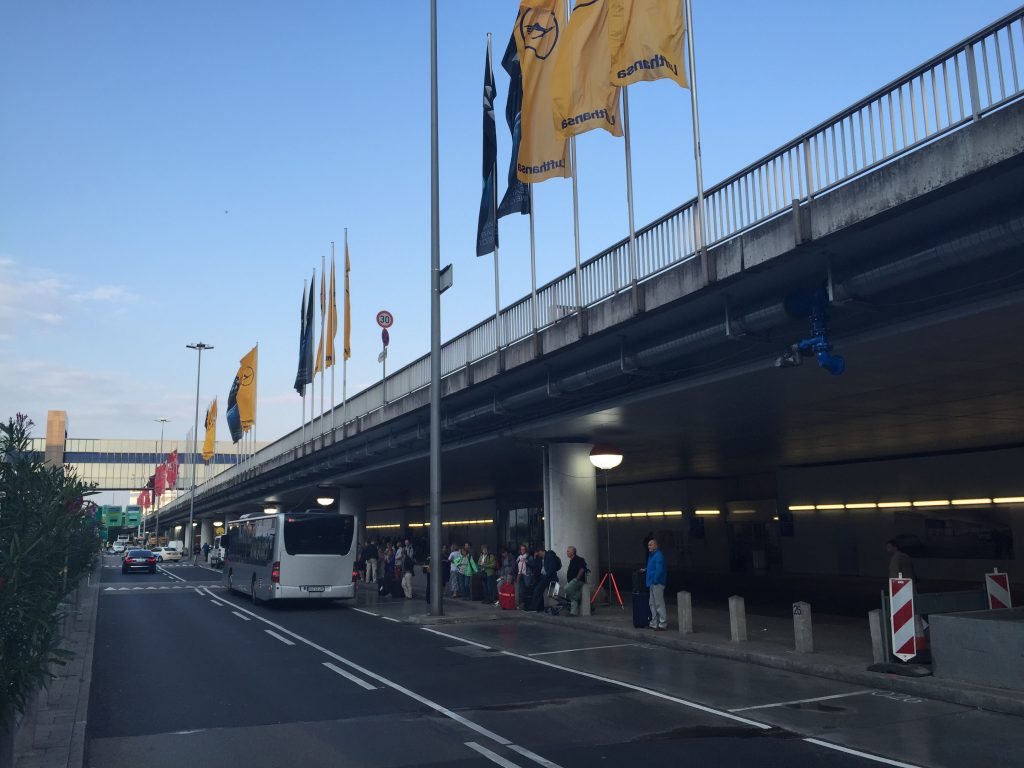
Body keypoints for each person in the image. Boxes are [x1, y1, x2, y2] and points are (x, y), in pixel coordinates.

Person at [645, 538, 668, 630]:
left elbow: (659, 570)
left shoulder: (658, 556)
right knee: (652, 603)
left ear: (656, 546)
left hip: (657, 583)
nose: (649, 547)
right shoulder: (653, 555)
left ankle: (662, 623)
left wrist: (654, 580)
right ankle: (654, 623)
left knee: (658, 603)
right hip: (653, 583)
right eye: (648, 545)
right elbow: (654, 568)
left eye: (651, 545)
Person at [562, 546, 588, 616]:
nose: (566, 553)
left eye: (568, 551)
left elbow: (582, 569)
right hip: (572, 581)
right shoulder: (572, 560)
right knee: (572, 596)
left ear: (573, 552)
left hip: (577, 581)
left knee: (566, 589)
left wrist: (577, 579)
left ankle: (578, 598)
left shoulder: (579, 559)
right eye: (567, 551)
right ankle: (573, 613)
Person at [515, 544, 530, 609]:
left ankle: (526, 604)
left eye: (524, 549)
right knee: (520, 590)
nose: (522, 550)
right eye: (521, 549)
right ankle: (521, 604)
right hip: (520, 574)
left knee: (526, 589)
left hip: (526, 574)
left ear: (526, 550)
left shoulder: (528, 557)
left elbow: (532, 565)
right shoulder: (519, 557)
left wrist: (527, 562)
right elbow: (516, 566)